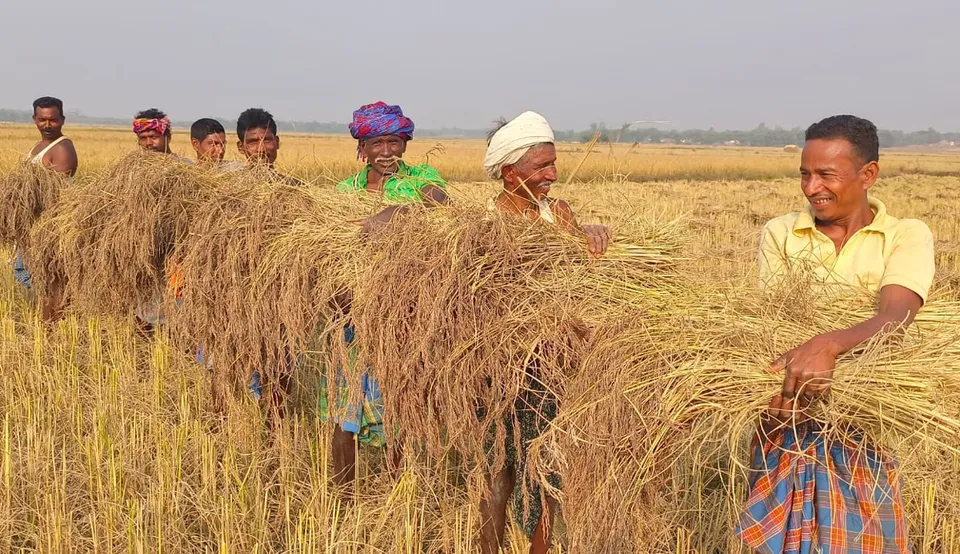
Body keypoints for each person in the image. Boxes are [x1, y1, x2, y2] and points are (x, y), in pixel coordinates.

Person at [737, 115, 933, 553]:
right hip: (789, 411)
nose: (811, 187)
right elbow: (773, 324)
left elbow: (897, 315)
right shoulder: (782, 232)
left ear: (868, 175)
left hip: (863, 423)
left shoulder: (905, 235)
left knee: (861, 537)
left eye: (826, 174)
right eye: (805, 174)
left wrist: (826, 344)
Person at [479, 110, 612, 554]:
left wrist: (591, 234)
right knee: (500, 469)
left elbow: (582, 276)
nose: (552, 174)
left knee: (551, 471)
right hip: (505, 368)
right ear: (508, 171)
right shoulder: (486, 224)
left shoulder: (559, 214)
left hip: (559, 366)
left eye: (553, 163)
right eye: (541, 167)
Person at [325, 101, 449, 491]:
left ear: (406, 144)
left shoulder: (421, 179)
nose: (386, 153)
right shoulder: (345, 192)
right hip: (351, 315)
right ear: (362, 148)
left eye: (394, 142)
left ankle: (396, 493)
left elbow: (440, 202)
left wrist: (395, 213)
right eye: (377, 144)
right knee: (343, 411)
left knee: (398, 405)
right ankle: (343, 495)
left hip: (402, 315)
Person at [12, 96, 78, 319]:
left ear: (62, 120)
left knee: (51, 281)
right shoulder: (39, 147)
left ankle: (51, 326)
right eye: (42, 120)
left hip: (51, 224)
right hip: (35, 223)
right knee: (42, 280)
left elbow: (52, 193)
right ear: (34, 119)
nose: (48, 125)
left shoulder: (63, 149)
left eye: (53, 120)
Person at [235, 108, 302, 184]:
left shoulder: (295, 187)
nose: (261, 149)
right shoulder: (231, 188)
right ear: (241, 147)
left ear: (277, 142)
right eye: (253, 142)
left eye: (267, 140)